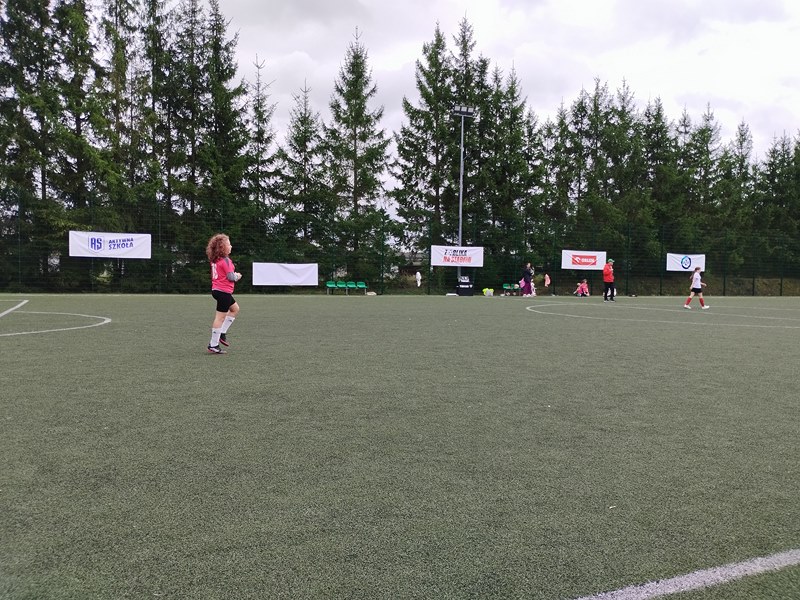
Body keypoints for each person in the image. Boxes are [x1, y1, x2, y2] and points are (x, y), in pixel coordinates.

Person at [206, 233, 242, 354]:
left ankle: (222, 333)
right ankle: (213, 344)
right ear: (222, 247)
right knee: (220, 318)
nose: (231, 246)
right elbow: (231, 277)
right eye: (229, 244)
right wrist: (237, 275)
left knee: (235, 309)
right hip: (223, 292)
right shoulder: (226, 260)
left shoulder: (215, 260)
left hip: (217, 290)